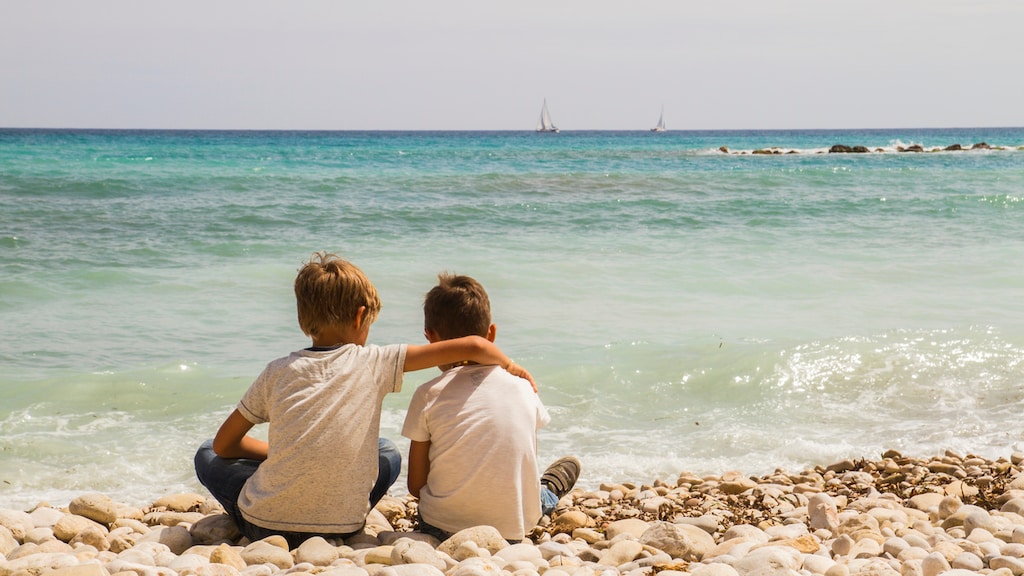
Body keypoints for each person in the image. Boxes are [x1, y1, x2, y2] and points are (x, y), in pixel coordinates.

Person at [194, 252, 535, 549]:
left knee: (206, 452)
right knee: (386, 452)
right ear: (360, 317)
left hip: (263, 526)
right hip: (345, 523)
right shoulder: (376, 361)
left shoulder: (277, 371)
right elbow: (474, 346)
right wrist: (512, 367)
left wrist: (282, 453)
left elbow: (225, 445)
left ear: (302, 319)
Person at [402, 273, 580, 542]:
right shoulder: (522, 387)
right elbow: (523, 459)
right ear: (492, 334)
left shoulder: (428, 393)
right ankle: (548, 491)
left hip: (440, 527)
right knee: (536, 493)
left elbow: (416, 486)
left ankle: (544, 491)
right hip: (512, 527)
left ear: (430, 336)